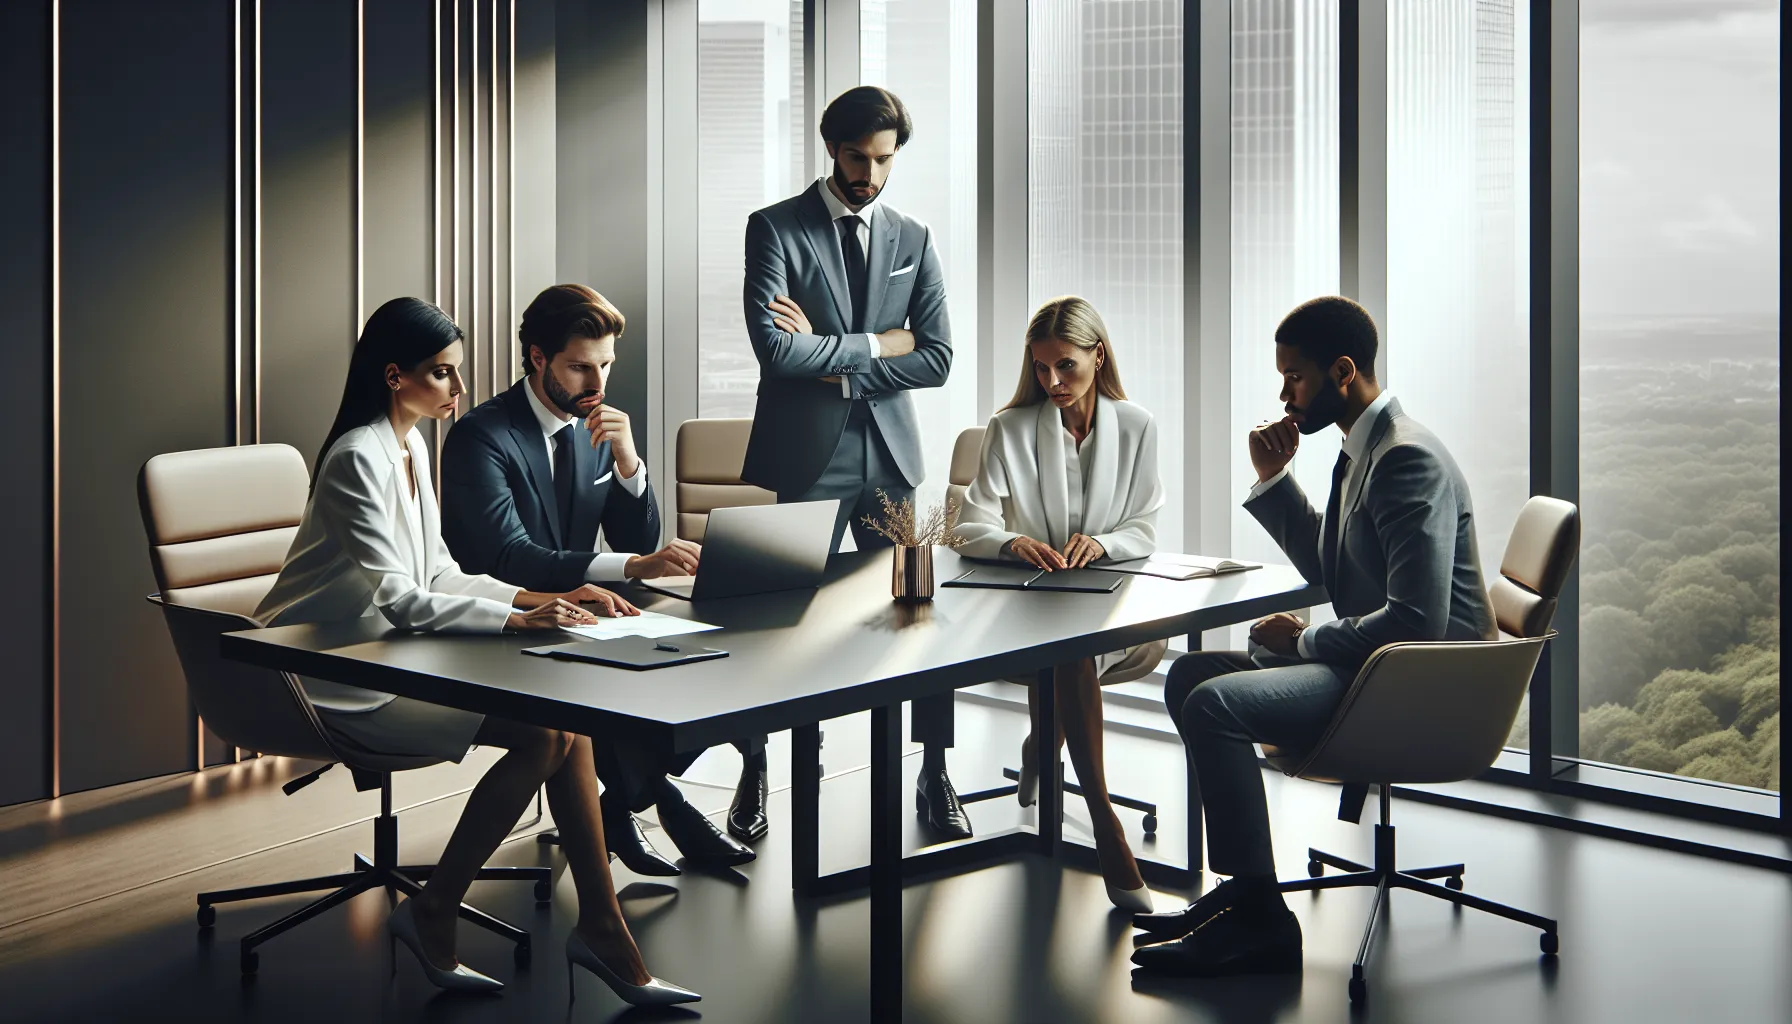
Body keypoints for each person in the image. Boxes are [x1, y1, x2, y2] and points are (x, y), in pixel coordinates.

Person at [255, 297, 698, 1005]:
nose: (459, 391)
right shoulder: (355, 459)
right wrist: (518, 622)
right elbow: (401, 598)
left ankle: (603, 926)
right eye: (443, 374)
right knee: (545, 734)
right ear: (395, 376)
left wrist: (538, 600)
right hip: (325, 675)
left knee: (565, 723)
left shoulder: (406, 447)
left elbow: (440, 575)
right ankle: (438, 910)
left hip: (387, 654)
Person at [1131, 296, 1495, 978]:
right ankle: (1245, 896)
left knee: (1215, 704)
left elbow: (1418, 623)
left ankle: (1261, 921)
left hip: (1418, 683)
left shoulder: (1405, 460)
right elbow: (1334, 573)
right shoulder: (1363, 450)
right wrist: (1275, 480)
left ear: (1343, 371)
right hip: (1377, 667)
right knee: (1190, 675)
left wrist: (1302, 643)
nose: (1283, 393)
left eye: (1293, 377)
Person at [440, 283, 758, 871]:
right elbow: (509, 557)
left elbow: (637, 539)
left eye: (606, 364)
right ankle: (662, 802)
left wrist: (630, 464)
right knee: (624, 688)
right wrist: (633, 569)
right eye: (580, 367)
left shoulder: (596, 426)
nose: (598, 384)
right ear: (537, 358)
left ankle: (623, 803)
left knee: (713, 664)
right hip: (501, 621)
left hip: (579, 616)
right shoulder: (482, 438)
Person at [739, 86, 966, 839]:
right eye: (858, 157)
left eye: (884, 160)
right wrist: (875, 342)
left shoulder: (913, 236)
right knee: (778, 620)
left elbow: (935, 356)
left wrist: (830, 357)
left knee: (917, 615)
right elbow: (776, 350)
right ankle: (759, 767)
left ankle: (935, 772)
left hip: (892, 460)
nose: (870, 173)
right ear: (830, 147)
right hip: (807, 459)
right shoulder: (774, 229)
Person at [956, 296, 1167, 913]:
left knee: (1074, 650)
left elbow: (1146, 527)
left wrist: (1102, 542)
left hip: (1110, 600)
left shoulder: (1138, 426)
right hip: (1024, 605)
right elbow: (969, 526)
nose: (1052, 381)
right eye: (1041, 366)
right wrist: (1012, 540)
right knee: (1068, 655)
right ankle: (1107, 824)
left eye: (1067, 366)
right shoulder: (1009, 428)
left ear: (1098, 357)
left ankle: (1042, 744)